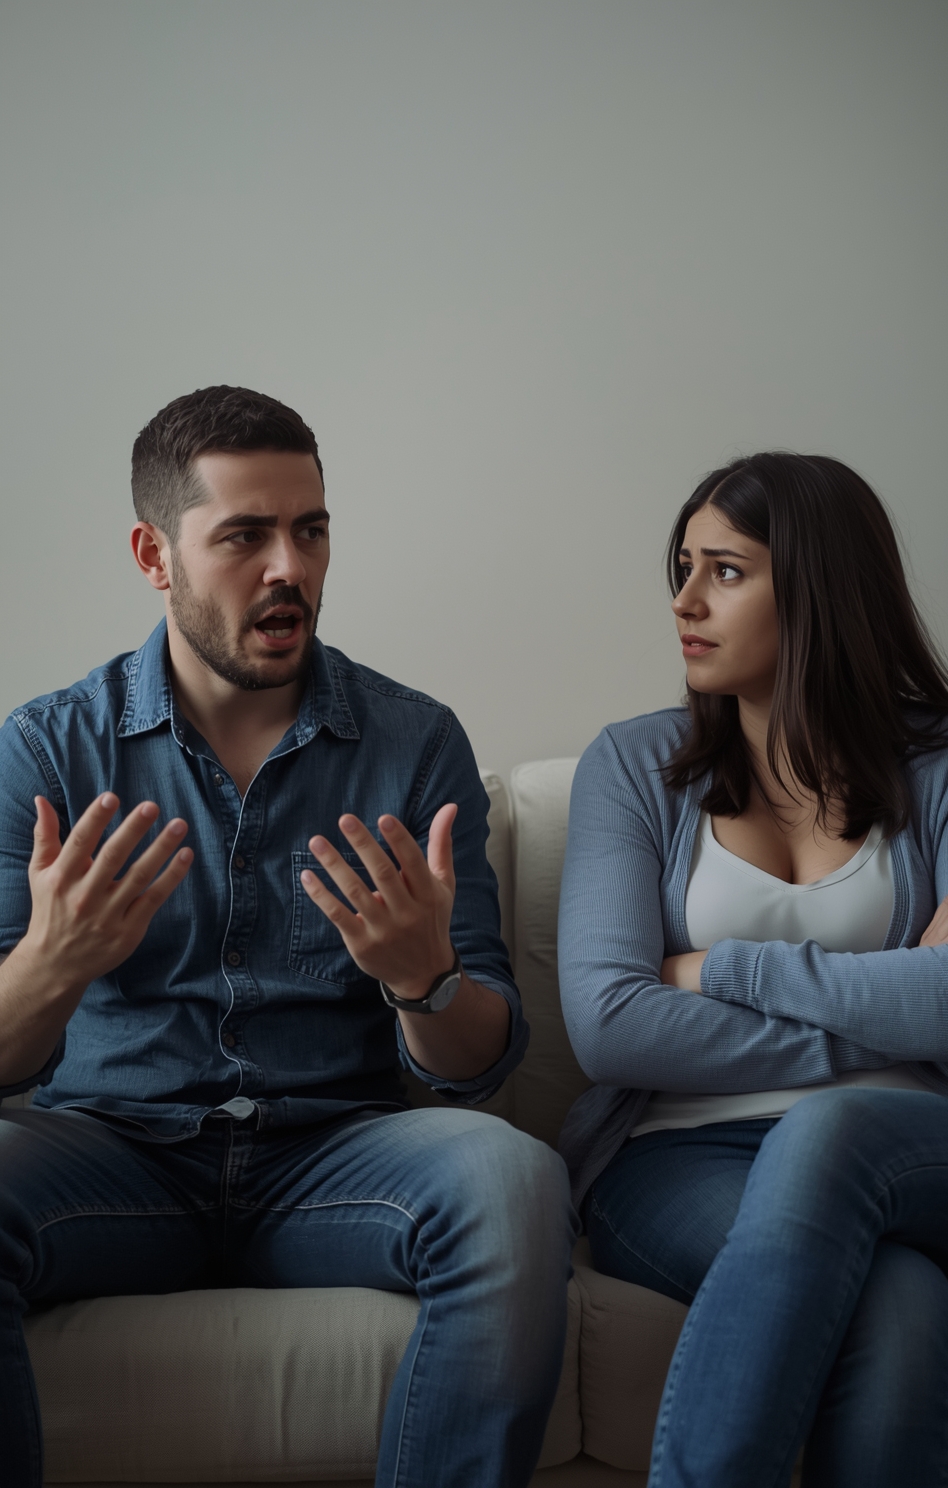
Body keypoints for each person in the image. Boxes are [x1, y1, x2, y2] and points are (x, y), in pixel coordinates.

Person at [0, 385, 574, 1488]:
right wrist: (51, 964)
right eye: (245, 536)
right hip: (113, 1155)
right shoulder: (49, 750)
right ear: (154, 555)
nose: (289, 568)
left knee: (514, 1181)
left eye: (310, 531)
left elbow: (479, 1063)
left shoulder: (414, 744)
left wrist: (423, 982)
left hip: (332, 1159)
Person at [557, 452, 948, 1488]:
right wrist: (897, 990)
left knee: (832, 1130)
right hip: (680, 1158)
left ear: (819, 588)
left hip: (921, 1148)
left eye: (725, 571)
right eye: (683, 567)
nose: (684, 600)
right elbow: (611, 1025)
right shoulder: (630, 765)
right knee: (898, 1309)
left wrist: (724, 969)